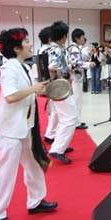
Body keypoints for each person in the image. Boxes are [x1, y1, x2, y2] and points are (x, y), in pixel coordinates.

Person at [0, 28, 57, 220]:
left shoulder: (23, 67)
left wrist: (45, 89)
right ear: (16, 48)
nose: (30, 44)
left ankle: (36, 201)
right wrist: (34, 88)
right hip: (10, 130)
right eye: (26, 41)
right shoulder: (9, 68)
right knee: (6, 172)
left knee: (33, 164)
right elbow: (10, 97)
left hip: (25, 127)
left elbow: (32, 92)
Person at [46, 21, 78, 164]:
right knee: (70, 118)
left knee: (63, 117)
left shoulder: (51, 48)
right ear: (64, 36)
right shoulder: (57, 50)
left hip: (57, 87)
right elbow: (52, 67)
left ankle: (59, 146)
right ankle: (57, 149)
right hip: (60, 87)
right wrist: (63, 74)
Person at [68, 28, 90, 129]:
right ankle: (77, 122)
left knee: (77, 99)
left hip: (77, 77)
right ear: (77, 38)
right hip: (76, 78)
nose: (83, 39)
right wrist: (89, 64)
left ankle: (77, 120)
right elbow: (77, 63)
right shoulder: (75, 49)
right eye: (82, 37)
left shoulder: (75, 48)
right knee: (77, 100)